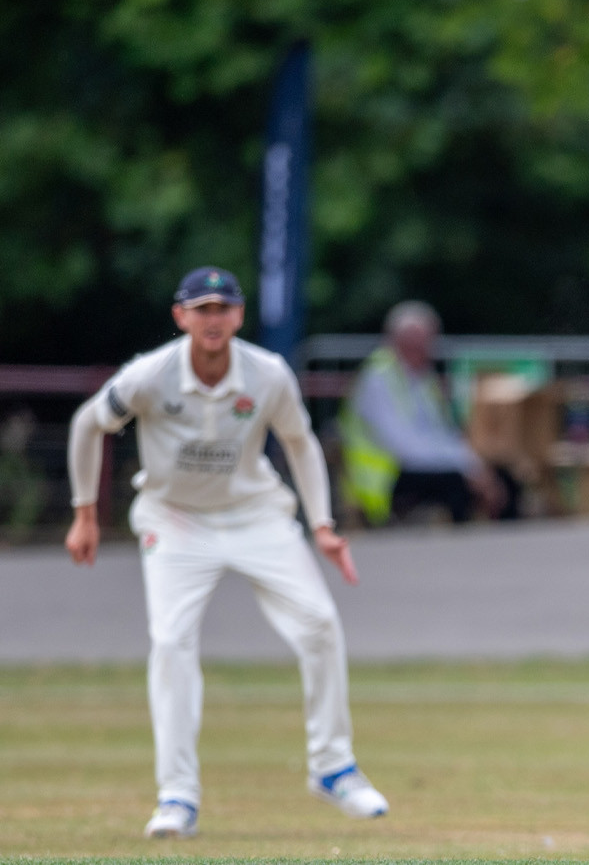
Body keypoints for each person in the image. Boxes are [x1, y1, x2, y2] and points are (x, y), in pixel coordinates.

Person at [63, 268, 388, 839]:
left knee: (319, 622)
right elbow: (88, 424)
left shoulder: (267, 374)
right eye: (201, 309)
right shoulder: (150, 374)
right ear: (180, 317)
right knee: (170, 640)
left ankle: (333, 767)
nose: (213, 320)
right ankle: (177, 796)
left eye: (223, 309)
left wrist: (323, 525)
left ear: (238, 317)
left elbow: (300, 443)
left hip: (255, 513)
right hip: (175, 518)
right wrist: (85, 513)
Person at [340, 300, 510, 525]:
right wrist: (465, 468)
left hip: (413, 466)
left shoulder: (422, 378)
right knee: (456, 482)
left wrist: (475, 466)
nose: (424, 348)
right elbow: (404, 445)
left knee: (504, 475)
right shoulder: (378, 379)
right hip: (384, 480)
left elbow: (441, 433)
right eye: (416, 342)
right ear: (397, 340)